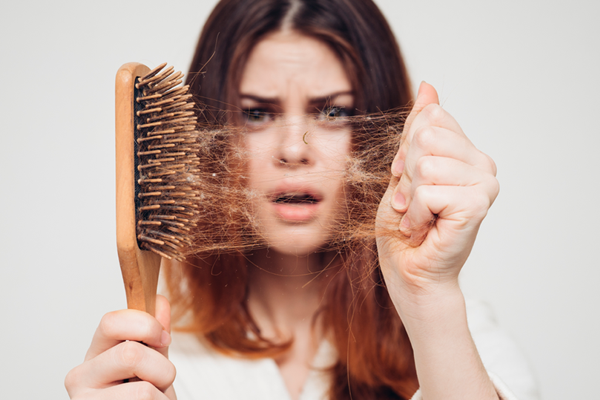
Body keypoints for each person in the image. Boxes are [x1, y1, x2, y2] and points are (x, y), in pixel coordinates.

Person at [65, 0, 537, 399]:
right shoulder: (157, 362)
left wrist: (427, 297)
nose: (293, 150)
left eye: (333, 111)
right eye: (255, 113)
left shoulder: (458, 333)